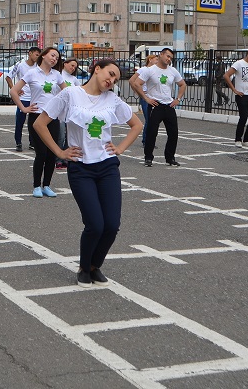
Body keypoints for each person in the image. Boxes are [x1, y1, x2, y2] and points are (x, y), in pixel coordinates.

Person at [34, 58, 142, 287]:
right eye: (109, 73)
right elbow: (40, 124)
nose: (111, 80)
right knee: (95, 224)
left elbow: (137, 125)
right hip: (81, 169)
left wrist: (120, 148)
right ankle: (84, 268)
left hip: (107, 167)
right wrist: (60, 153)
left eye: (115, 78)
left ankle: (95, 266)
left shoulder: (112, 99)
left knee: (112, 225)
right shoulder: (70, 94)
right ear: (96, 69)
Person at [10, 47, 66, 198]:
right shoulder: (32, 73)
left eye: (57, 57)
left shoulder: (57, 75)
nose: (55, 59)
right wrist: (23, 108)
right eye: (53, 55)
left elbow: (67, 93)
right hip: (36, 117)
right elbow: (14, 91)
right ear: (44, 56)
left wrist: (60, 106)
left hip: (52, 118)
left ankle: (46, 185)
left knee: (51, 153)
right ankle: (36, 186)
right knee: (40, 153)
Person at [131, 48, 186, 167]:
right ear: (161, 55)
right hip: (155, 105)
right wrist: (146, 98)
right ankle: (148, 157)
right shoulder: (150, 70)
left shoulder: (173, 71)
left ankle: (170, 157)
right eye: (167, 56)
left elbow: (182, 84)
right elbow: (137, 83)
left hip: (169, 105)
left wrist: (178, 99)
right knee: (152, 132)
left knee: (173, 133)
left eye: (170, 57)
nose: (168, 59)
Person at [6, 46, 41, 151]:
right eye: (36, 54)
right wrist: (15, 89)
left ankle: (32, 142)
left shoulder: (38, 67)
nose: (37, 57)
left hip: (34, 98)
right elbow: (8, 77)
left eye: (39, 55)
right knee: (20, 121)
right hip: (23, 98)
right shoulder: (20, 65)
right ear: (30, 53)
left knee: (33, 122)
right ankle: (18, 142)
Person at [225, 46, 248, 148]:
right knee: (244, 117)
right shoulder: (239, 63)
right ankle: (238, 139)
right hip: (242, 95)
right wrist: (234, 89)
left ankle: (247, 140)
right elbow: (226, 75)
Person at [129, 54, 158, 147]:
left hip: (152, 96)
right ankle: (146, 141)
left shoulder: (155, 71)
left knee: (153, 119)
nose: (157, 61)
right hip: (145, 97)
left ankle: (149, 140)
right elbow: (132, 80)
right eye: (156, 59)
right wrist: (138, 92)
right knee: (149, 119)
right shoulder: (144, 70)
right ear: (150, 60)